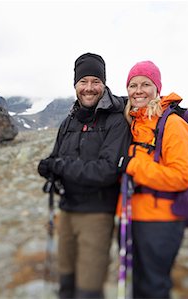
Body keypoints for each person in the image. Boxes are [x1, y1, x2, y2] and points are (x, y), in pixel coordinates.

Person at [38, 53, 132, 299]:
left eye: (95, 81)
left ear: (103, 84)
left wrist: (60, 166)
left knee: (88, 289)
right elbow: (57, 156)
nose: (89, 88)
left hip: (97, 214)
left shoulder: (115, 121)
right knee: (66, 282)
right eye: (83, 82)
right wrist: (47, 165)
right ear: (75, 85)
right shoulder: (69, 121)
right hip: (68, 210)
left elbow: (108, 170)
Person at [117, 60, 188, 299]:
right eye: (133, 85)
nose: (138, 90)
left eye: (145, 84)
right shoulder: (133, 123)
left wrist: (132, 165)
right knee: (139, 286)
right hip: (132, 217)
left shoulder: (172, 124)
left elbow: (181, 177)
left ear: (157, 89)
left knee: (153, 287)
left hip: (161, 220)